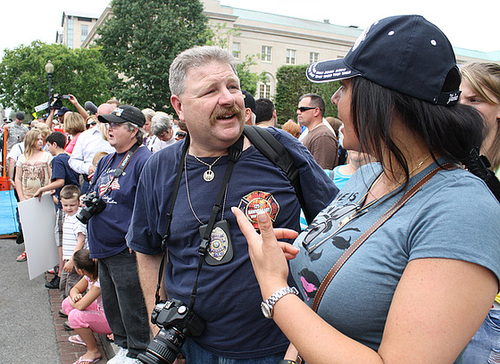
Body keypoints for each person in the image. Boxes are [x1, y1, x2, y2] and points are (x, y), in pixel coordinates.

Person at [232, 15, 500, 364]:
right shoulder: (369, 175)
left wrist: (273, 287)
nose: (334, 97)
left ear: (382, 101)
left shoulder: (462, 210)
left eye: (344, 86)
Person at [127, 45, 337, 363]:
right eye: (210, 91)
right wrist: (159, 327)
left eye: (233, 87)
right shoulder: (159, 168)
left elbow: (336, 236)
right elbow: (148, 249)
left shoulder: (279, 149)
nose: (228, 99)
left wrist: (303, 338)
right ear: (179, 106)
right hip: (192, 347)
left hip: (279, 348)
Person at [87, 105, 152, 363]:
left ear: (133, 130)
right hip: (103, 247)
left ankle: (138, 352)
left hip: (125, 249)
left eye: (115, 124)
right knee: (113, 305)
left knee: (132, 305)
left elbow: (148, 206)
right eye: (108, 124)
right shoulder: (106, 159)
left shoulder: (144, 160)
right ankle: (125, 348)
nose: (109, 128)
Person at [459, 62, 500, 362]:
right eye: (458, 99)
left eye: (475, 100)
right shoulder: (457, 160)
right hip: (455, 308)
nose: (462, 108)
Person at [33, 131, 80, 289]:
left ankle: (61, 274)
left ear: (54, 144)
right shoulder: (69, 157)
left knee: (61, 238)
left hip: (65, 203)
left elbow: (59, 181)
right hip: (73, 198)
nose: (47, 148)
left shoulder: (58, 159)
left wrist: (43, 189)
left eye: (48, 144)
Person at [61, 248, 111, 364]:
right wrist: (74, 296)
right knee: (66, 304)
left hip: (109, 319)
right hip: (100, 310)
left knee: (74, 315)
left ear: (80, 270)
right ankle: (85, 336)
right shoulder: (89, 275)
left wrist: (75, 301)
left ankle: (93, 351)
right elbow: (75, 289)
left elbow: (80, 306)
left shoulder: (99, 282)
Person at [14, 128, 53, 262]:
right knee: (27, 225)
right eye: (37, 139)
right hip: (27, 196)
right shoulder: (22, 158)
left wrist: (47, 191)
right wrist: (21, 196)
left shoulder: (46, 156)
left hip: (43, 197)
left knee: (44, 226)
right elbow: (17, 178)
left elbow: (51, 176)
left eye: (42, 139)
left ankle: (44, 254)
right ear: (31, 141)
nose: (41, 142)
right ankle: (28, 250)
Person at [69, 103, 115, 193]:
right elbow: (73, 160)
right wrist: (87, 168)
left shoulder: (119, 134)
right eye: (102, 117)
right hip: (90, 181)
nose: (106, 120)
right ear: (97, 116)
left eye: (109, 116)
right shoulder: (85, 136)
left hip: (113, 180)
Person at [297, 93, 339, 169]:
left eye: (302, 109)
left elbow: (321, 174)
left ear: (316, 111)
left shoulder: (323, 136)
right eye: (298, 109)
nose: (298, 112)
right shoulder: (313, 133)